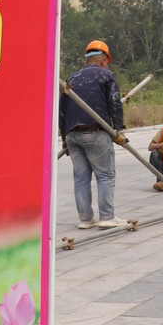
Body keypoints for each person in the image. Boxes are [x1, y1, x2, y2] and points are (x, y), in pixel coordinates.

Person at [60, 40, 127, 229]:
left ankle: (86, 219)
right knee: (105, 175)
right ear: (104, 60)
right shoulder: (105, 75)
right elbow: (115, 102)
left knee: (81, 177)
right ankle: (107, 217)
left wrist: (64, 139)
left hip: (72, 134)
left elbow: (62, 110)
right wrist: (118, 130)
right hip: (95, 132)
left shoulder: (71, 78)